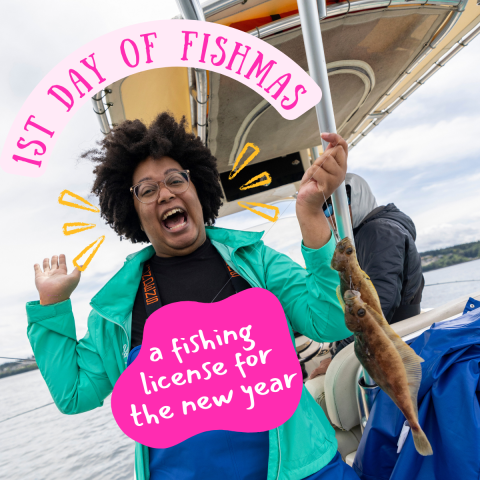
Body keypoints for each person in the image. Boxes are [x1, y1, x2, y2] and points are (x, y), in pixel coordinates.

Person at [27, 113, 360, 480]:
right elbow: (74, 393)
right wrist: (52, 306)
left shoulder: (258, 263)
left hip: (304, 469)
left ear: (197, 189)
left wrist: (311, 213)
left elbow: (330, 321)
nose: (166, 193)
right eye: (147, 190)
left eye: (175, 180)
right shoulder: (115, 310)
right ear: (135, 213)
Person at [310, 172, 424, 378]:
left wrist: (338, 355)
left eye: (340, 203)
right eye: (325, 208)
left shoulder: (379, 232)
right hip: (388, 342)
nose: (332, 214)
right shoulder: (367, 233)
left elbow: (377, 305)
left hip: (395, 349)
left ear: (359, 196)